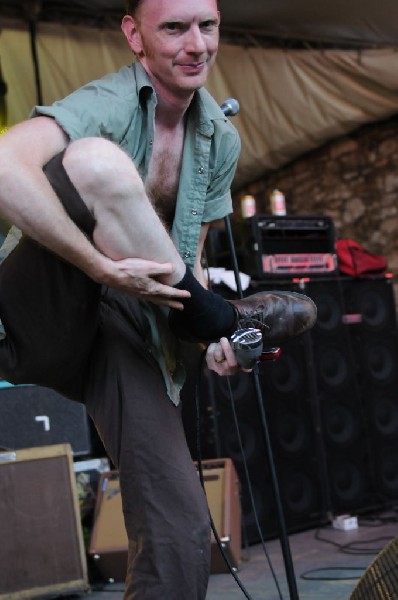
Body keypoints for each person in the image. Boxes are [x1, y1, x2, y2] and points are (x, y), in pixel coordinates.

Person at [0, 0, 316, 597]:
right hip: (38, 304)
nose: (196, 44)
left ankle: (218, 324)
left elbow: (186, 259)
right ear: (135, 35)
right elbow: (3, 165)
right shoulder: (110, 102)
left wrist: (209, 344)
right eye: (174, 27)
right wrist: (99, 265)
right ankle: (221, 316)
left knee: (181, 533)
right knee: (95, 161)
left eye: (208, 25)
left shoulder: (219, 139)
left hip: (128, 320)